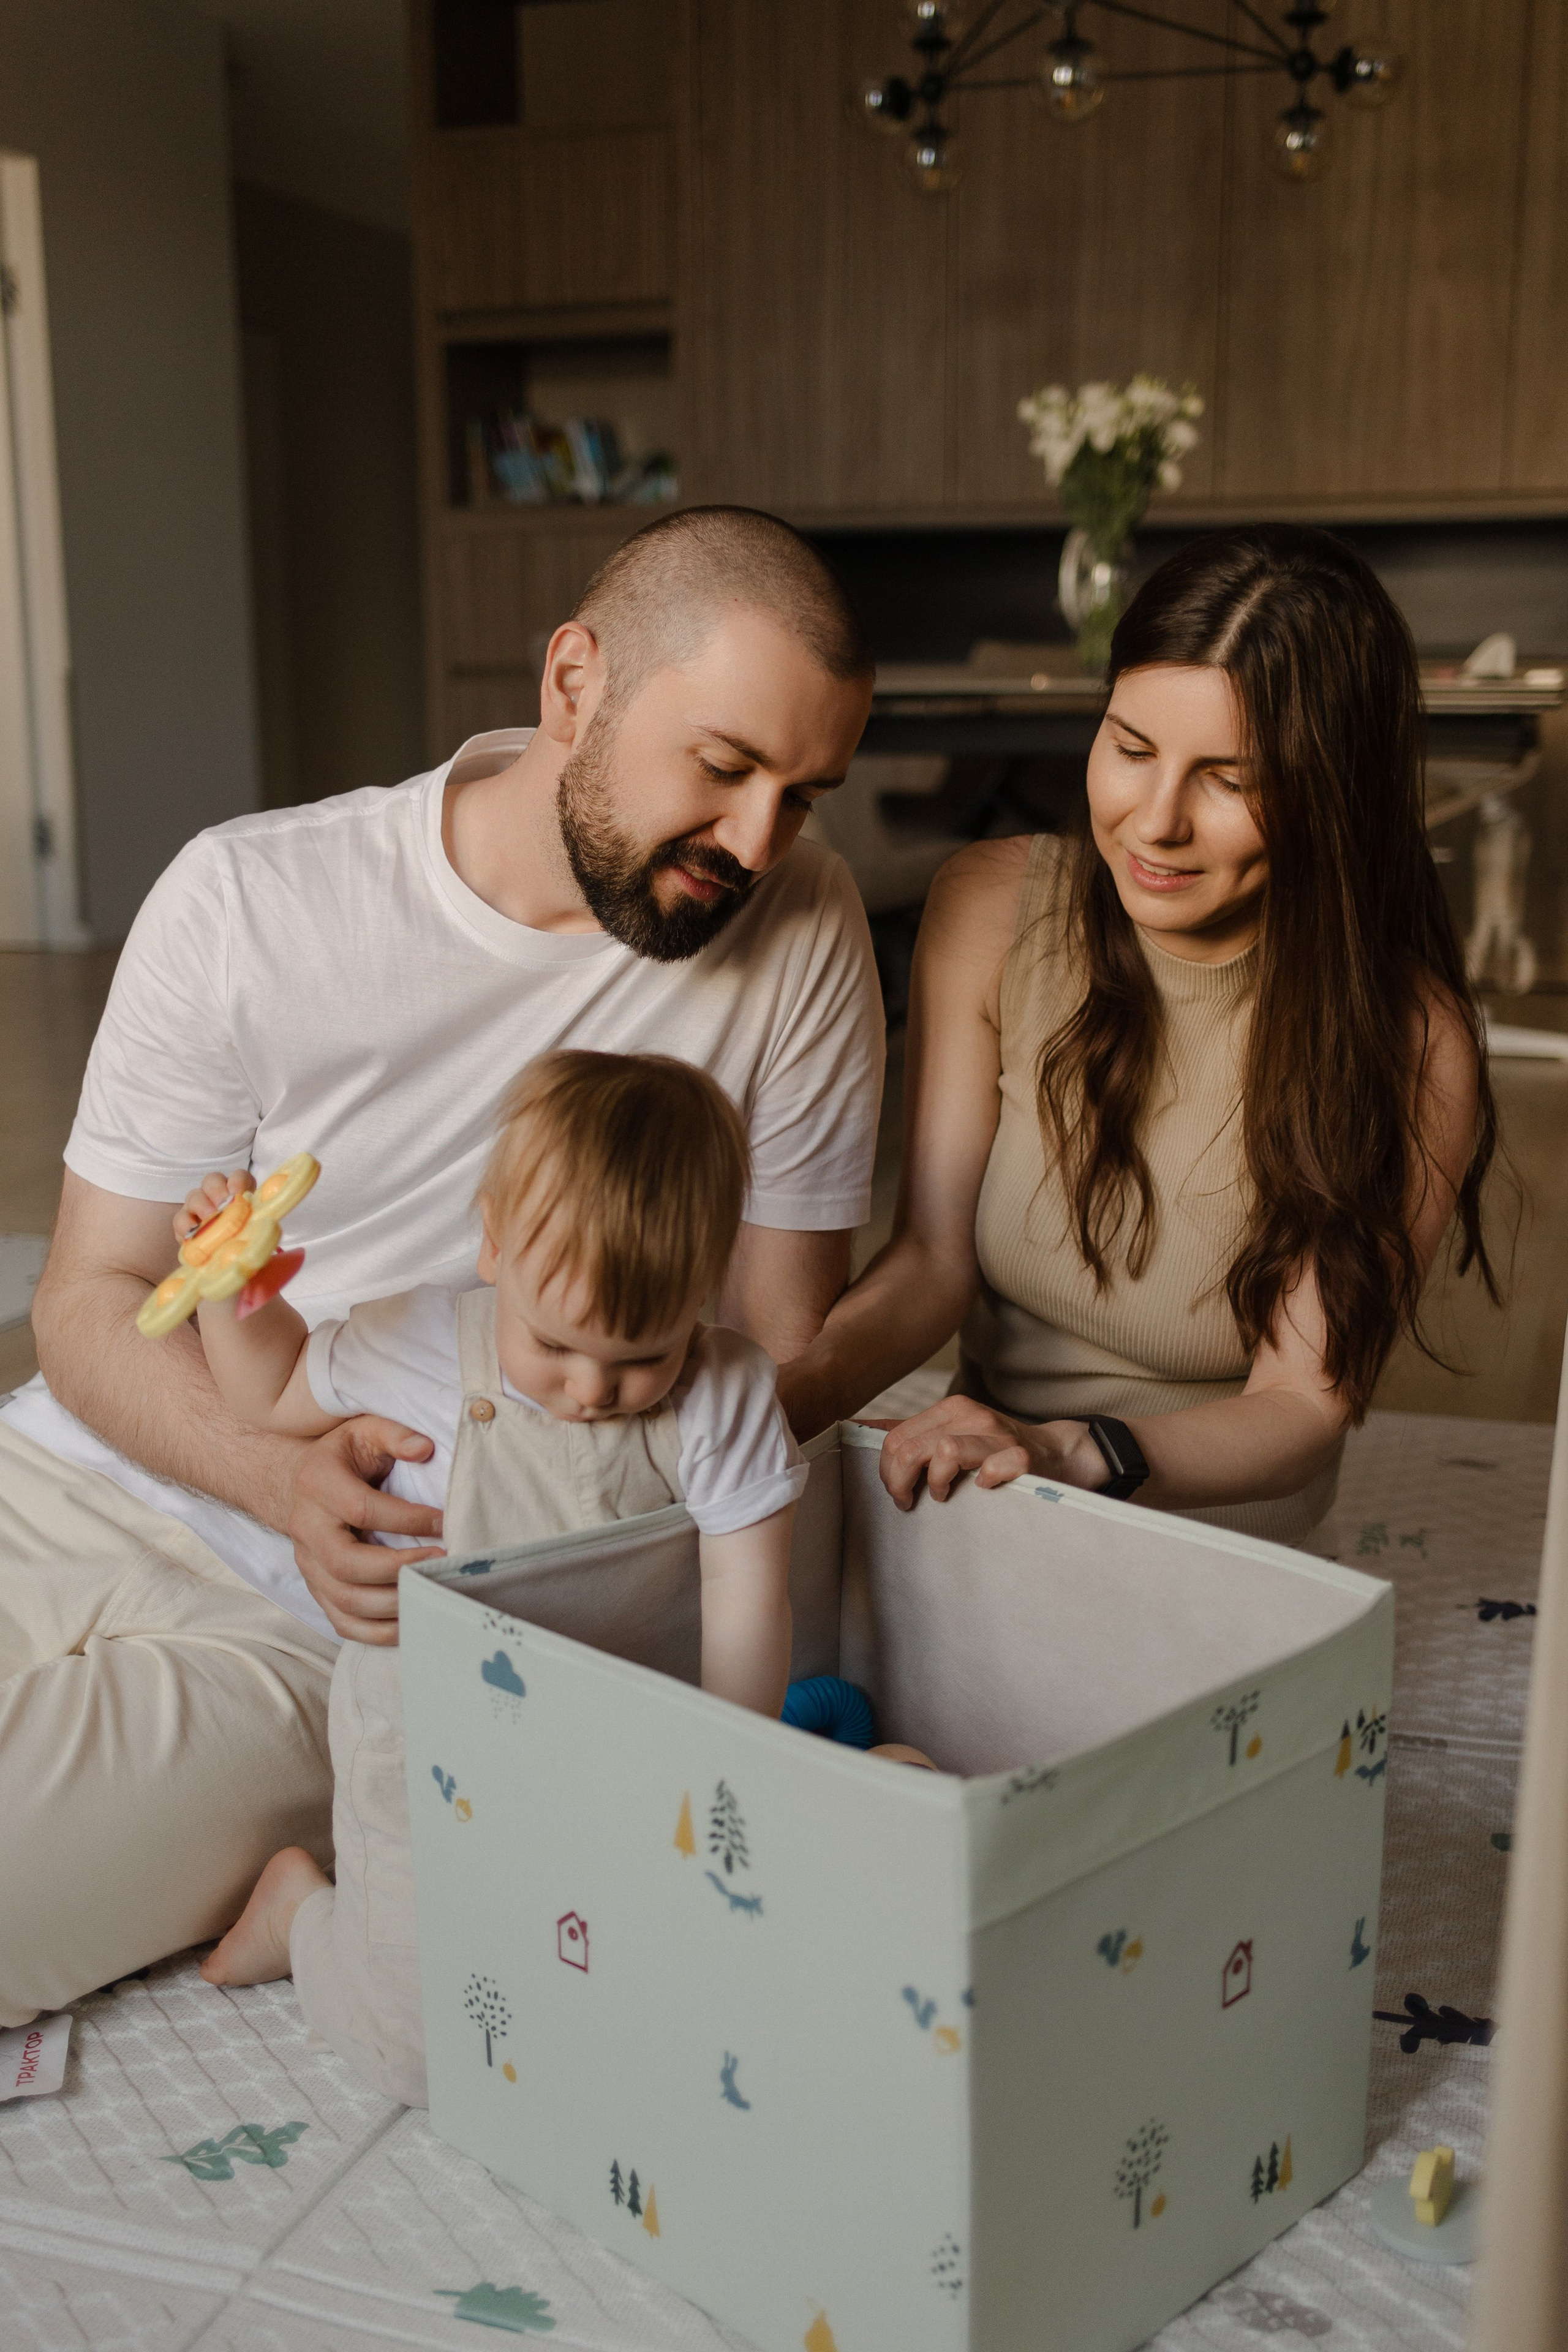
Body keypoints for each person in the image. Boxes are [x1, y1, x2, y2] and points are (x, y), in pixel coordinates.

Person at [0, 505, 881, 2029]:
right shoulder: (250, 900)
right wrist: (279, 1475)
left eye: (801, 795)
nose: (757, 843)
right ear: (571, 684)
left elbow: (772, 1348)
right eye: (724, 767)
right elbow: (84, 1299)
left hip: (353, 1618)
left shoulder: (797, 929)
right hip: (102, 1469)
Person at [780, 526, 1499, 1542]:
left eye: (1231, 778)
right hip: (985, 1485)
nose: (1154, 821)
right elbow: (933, 1257)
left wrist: (1073, 1449)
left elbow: (1302, 1403)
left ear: (1334, 795)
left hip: (1215, 1527)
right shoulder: (993, 909)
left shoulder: (1410, 1040)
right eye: (1130, 748)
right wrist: (782, 1402)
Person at [183, 1052, 801, 2106]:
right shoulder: (419, 1344)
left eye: (644, 1358)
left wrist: (725, 1769)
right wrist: (231, 1282)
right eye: (555, 1345)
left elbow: (750, 1602)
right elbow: (271, 1391)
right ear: (494, 1245)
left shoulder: (725, 1391)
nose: (595, 1390)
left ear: (705, 1293)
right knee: (427, 2046)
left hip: (618, 1742)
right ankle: (307, 1917)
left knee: (635, 2009)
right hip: (428, 1746)